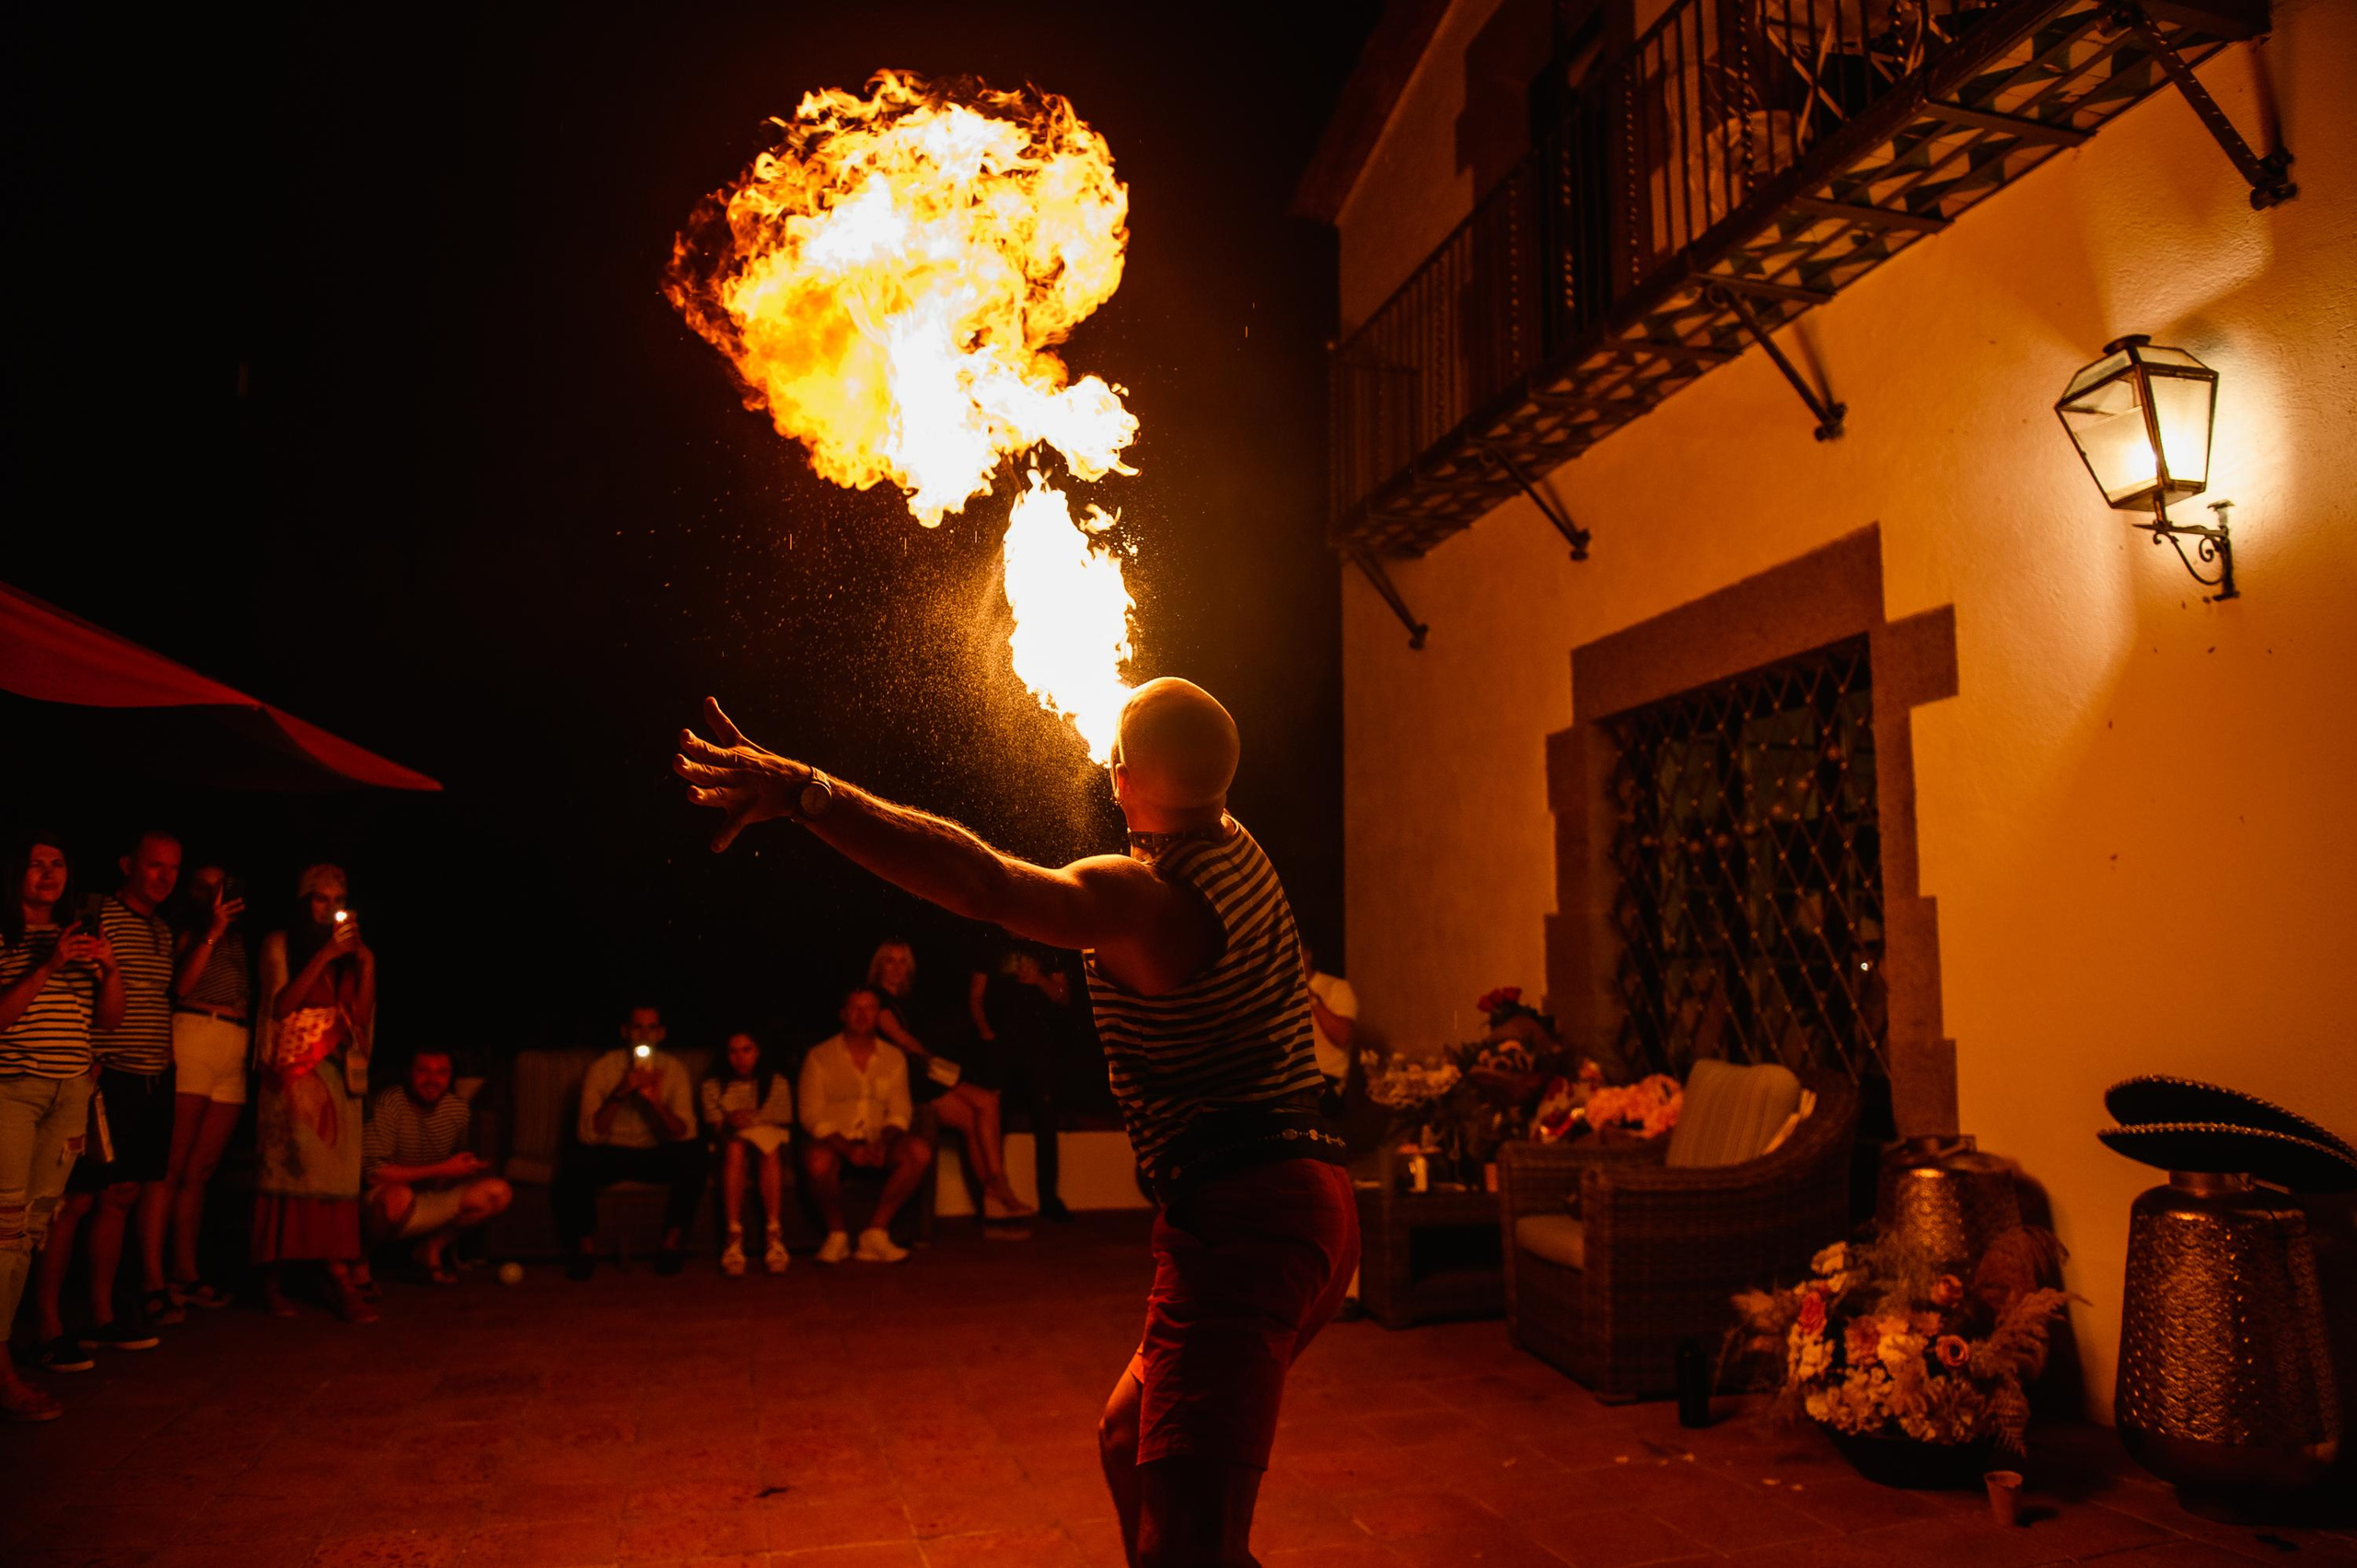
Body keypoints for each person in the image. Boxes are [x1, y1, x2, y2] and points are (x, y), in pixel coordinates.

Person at [677, 678, 1357, 1568]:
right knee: (1128, 1442)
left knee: (1189, 1547)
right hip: (1303, 1202)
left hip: (1246, 1224)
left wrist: (812, 795)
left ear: (1120, 779)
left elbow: (984, 884)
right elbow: (1177, 745)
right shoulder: (1233, 839)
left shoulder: (1144, 897)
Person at [44, 829, 180, 1353]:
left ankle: (102, 1315)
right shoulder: (100, 917)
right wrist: (88, 1060)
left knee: (122, 1195)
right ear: (128, 864)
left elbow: (160, 997)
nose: (165, 877)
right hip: (107, 1071)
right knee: (77, 1198)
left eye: (172, 868)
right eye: (154, 866)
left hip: (151, 1074)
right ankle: (50, 1325)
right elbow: (79, 989)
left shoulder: (163, 930)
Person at [0, 832, 122, 1419]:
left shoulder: (80, 934)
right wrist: (49, 964)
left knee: (31, 1233)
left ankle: (15, 1349)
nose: (48, 874)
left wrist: (108, 966)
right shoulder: (6, 934)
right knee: (2, 1235)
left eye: (58, 864)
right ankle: (2, 1372)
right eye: (34, 865)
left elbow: (110, 1019)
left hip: (70, 1091)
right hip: (13, 1092)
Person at [251, 864, 377, 1322]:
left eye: (337, 900)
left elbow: (361, 1018)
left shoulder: (352, 954)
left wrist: (366, 965)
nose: (329, 908)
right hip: (291, 1076)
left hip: (339, 1075)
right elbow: (281, 1006)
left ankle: (337, 1273)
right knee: (291, 1173)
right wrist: (323, 956)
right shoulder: (280, 944)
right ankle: (272, 1279)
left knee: (333, 1177)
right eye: (320, 899)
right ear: (304, 902)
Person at [140, 865, 250, 1317]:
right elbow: (180, 987)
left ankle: (186, 1273)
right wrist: (211, 930)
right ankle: (151, 1279)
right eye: (206, 885)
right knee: (170, 1166)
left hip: (233, 1041)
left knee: (200, 1171)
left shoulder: (239, 938)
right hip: (193, 1032)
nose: (216, 892)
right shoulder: (184, 932)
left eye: (223, 883)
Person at [871, 938, 1030, 1223]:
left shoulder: (908, 999)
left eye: (902, 961)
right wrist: (936, 1062)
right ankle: (999, 1184)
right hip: (907, 1080)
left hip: (923, 1075)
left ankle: (993, 1201)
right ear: (879, 966)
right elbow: (902, 1040)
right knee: (987, 1101)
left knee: (972, 1120)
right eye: (890, 961)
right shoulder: (876, 998)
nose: (896, 968)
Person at [555, 1005, 703, 1280]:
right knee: (575, 1162)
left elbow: (686, 1133)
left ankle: (670, 1246)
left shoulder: (674, 1069)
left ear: (661, 1034)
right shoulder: (602, 1068)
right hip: (611, 1151)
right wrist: (619, 1094)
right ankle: (585, 1250)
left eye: (651, 1027)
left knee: (695, 1159)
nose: (644, 1034)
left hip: (653, 1151)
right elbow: (587, 1134)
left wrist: (657, 1104)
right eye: (637, 1027)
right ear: (625, 1032)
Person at [795, 986, 930, 1263]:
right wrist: (847, 1149)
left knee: (919, 1152)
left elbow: (900, 1110)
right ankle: (837, 1235)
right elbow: (810, 1115)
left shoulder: (894, 1057)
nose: (862, 1015)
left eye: (869, 1008)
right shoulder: (819, 1057)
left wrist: (884, 1141)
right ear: (843, 1014)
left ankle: (875, 1233)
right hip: (836, 1140)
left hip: (878, 1139)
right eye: (855, 1008)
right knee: (817, 1161)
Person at [363, 1048, 509, 1283]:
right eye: (423, 1071)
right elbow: (373, 1174)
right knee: (398, 1196)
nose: (433, 1080)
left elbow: (452, 1164)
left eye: (442, 1072)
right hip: (387, 1197)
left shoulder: (457, 1110)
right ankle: (361, 1260)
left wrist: (467, 1167)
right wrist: (441, 1169)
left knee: (497, 1192)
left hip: (429, 1197)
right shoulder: (388, 1104)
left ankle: (430, 1249)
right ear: (409, 1073)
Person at [969, 934, 1074, 1223]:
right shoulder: (991, 943)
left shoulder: (1046, 943)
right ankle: (993, 1199)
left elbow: (1064, 997)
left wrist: (1039, 979)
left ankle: (1049, 1199)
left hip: (1040, 1048)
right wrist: (987, 1035)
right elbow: (976, 997)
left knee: (1045, 1119)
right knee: (993, 1119)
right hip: (1001, 1048)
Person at [700, 1029, 792, 1276]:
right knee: (734, 1148)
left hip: (768, 1139)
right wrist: (731, 1122)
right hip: (730, 1141)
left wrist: (750, 1119)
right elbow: (715, 1124)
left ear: (758, 1052)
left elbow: (780, 1119)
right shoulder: (713, 1085)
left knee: (769, 1149)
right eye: (733, 1051)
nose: (740, 1058)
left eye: (746, 1050)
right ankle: (733, 1236)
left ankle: (773, 1234)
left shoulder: (776, 1082)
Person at [1301, 940, 1358, 1121]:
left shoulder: (1336, 987)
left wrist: (1314, 1001)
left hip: (1325, 1082)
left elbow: (1342, 1036)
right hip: (1290, 1084)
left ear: (1308, 954)